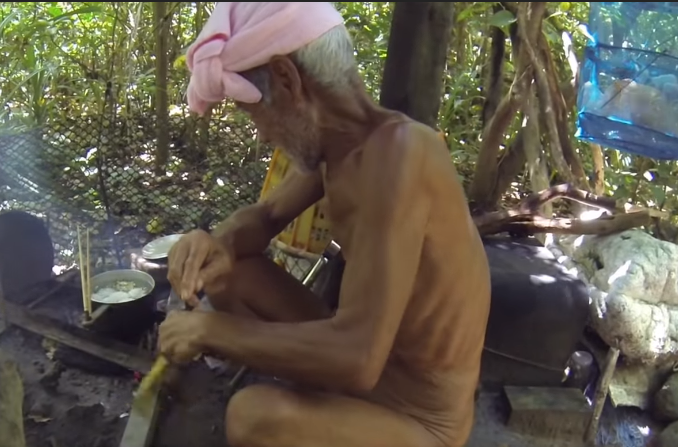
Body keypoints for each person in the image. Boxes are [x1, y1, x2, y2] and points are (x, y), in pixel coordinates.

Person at [159, 3, 491, 447]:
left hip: (420, 418)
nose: (260, 134)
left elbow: (357, 358)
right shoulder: (343, 147)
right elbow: (266, 217)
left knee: (253, 418)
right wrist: (215, 241)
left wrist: (209, 331)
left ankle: (318, 414)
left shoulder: (400, 157)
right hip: (369, 363)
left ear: (287, 80)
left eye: (253, 112)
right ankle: (323, 410)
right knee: (230, 271)